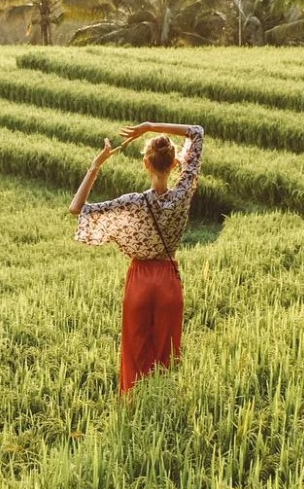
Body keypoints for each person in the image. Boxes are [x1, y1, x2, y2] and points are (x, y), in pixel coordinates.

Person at [68, 121, 205, 394]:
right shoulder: (183, 194)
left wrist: (96, 164)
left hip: (140, 282)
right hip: (168, 281)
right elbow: (197, 132)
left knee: (135, 354)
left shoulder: (133, 202)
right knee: (166, 358)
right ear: (175, 163)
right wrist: (150, 126)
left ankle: (132, 407)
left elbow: (76, 208)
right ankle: (161, 410)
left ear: (145, 164)